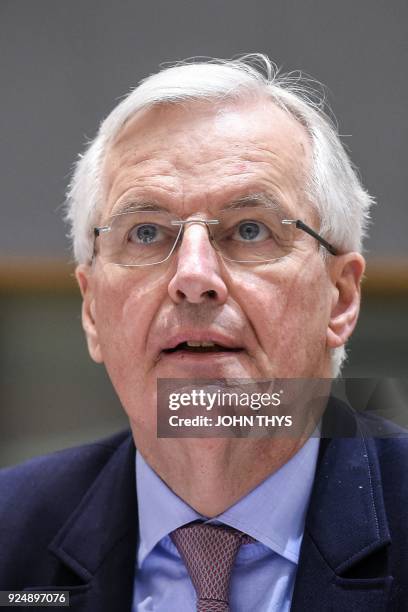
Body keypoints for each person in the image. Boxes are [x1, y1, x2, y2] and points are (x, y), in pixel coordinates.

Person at [0, 54, 407, 611]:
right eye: (145, 232)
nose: (194, 277)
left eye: (249, 229)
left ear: (340, 299)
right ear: (91, 308)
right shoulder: (9, 536)